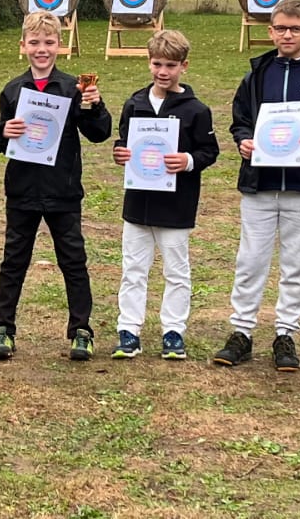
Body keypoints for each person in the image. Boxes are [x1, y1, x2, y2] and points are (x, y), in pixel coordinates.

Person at [213, 0, 300, 372]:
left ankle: (285, 335)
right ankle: (241, 332)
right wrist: (243, 140)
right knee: (250, 261)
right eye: (280, 28)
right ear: (270, 31)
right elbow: (240, 120)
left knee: (296, 265)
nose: (287, 34)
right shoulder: (256, 75)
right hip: (260, 186)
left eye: (295, 29)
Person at [0, 10, 112, 361]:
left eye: (49, 42)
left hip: (63, 190)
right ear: (23, 45)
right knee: (14, 260)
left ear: (61, 45)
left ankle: (82, 330)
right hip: (22, 190)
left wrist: (94, 106)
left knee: (73, 260)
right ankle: (3, 328)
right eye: (35, 43)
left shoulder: (75, 88)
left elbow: (99, 133)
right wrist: (3, 132)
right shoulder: (13, 90)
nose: (42, 49)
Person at [111, 30, 219, 361]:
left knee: (176, 270)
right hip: (138, 205)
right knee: (133, 269)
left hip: (176, 205)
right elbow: (123, 139)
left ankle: (173, 331)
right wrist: (120, 153)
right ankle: (129, 330)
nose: (163, 72)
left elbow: (209, 151)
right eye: (157, 63)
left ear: (183, 66)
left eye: (171, 65)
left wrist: (187, 161)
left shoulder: (196, 110)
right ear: (149, 62)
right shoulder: (135, 103)